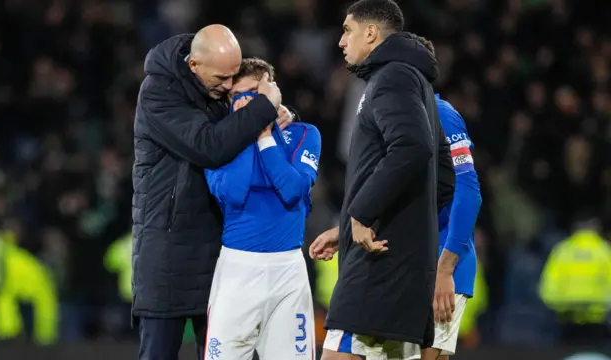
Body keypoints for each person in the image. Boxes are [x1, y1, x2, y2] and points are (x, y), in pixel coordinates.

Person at [310, 0, 454, 359]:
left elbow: (412, 145)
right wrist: (353, 227)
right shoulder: (414, 81)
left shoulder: (392, 77)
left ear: (371, 33)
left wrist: (361, 213)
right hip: (397, 263)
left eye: (347, 31)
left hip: (375, 269)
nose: (341, 41)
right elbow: (443, 177)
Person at [132, 25, 287, 360]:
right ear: (193, 65)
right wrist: (265, 108)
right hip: (167, 253)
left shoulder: (216, 90)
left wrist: (277, 120)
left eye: (234, 76)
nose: (229, 86)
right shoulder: (159, 93)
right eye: (221, 78)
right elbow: (210, 146)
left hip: (221, 255)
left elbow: (240, 136)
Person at [203, 57, 320, 360]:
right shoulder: (214, 139)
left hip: (289, 272)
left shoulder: (305, 133)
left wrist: (265, 136)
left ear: (274, 91)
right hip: (238, 271)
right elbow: (233, 192)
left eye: (257, 93)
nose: (249, 103)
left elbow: (293, 191)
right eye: (240, 97)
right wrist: (249, 128)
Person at [402, 41, 482, 359]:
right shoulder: (390, 117)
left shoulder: (442, 115)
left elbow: (469, 192)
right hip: (406, 264)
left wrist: (445, 268)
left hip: (440, 264)